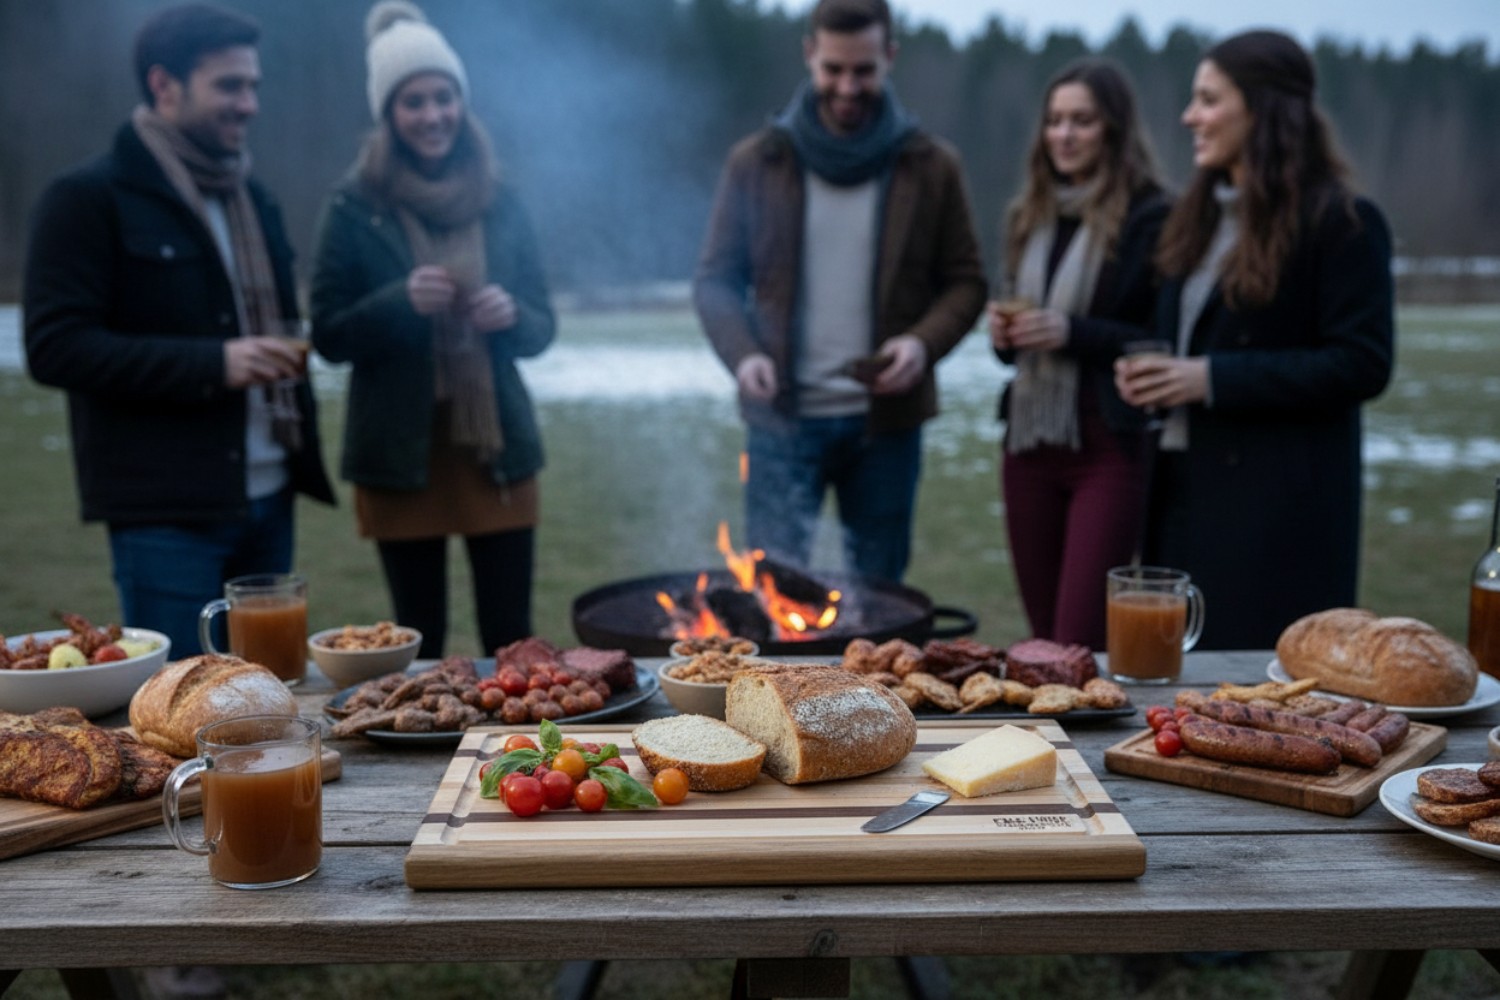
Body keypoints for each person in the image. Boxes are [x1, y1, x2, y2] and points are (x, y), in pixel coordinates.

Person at [23, 2, 334, 659]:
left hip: (270, 496)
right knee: (182, 700)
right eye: (229, 86)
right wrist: (214, 363)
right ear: (165, 84)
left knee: (268, 693)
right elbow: (55, 346)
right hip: (164, 515)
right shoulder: (87, 198)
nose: (249, 104)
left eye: (253, 85)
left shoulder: (255, 197)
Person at [1115, 30, 1394, 650]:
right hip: (1179, 489)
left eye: (1209, 99)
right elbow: (1178, 335)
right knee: (1172, 678)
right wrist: (1150, 377)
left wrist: (1210, 379)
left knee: (1260, 685)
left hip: (1275, 515)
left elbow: (1363, 363)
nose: (1190, 116)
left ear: (1265, 109)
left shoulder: (1342, 223)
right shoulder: (1191, 220)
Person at [694, 0, 986, 585]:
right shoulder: (758, 163)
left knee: (880, 603)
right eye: (833, 69)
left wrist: (922, 345)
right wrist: (744, 355)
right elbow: (716, 280)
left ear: (890, 58)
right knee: (774, 596)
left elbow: (967, 281)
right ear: (810, 55)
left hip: (886, 429)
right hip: (780, 424)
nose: (847, 87)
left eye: (863, 71)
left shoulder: (931, 166)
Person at [310, 1, 555, 659]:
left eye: (443, 97)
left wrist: (511, 316)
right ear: (388, 114)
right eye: (413, 101)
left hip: (496, 448)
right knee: (419, 640)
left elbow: (542, 326)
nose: (432, 115)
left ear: (461, 103)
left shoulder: (501, 198)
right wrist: (398, 302)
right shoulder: (354, 204)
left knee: (511, 635)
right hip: (400, 452)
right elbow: (328, 333)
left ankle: (516, 731)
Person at [988, 58, 1168, 650]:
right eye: (1055, 120)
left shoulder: (1150, 216)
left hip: (1107, 444)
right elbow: (1015, 355)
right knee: (1042, 640)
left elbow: (1159, 338)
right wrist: (1005, 337)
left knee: (1078, 640)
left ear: (1113, 129)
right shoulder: (1028, 216)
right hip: (1028, 443)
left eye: (1082, 121)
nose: (1064, 134)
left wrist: (1070, 331)